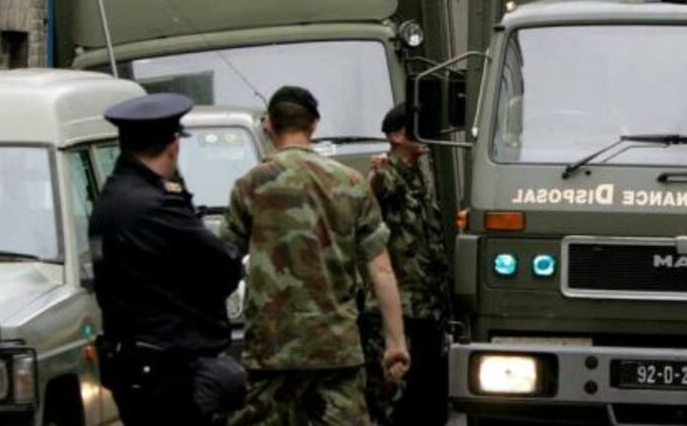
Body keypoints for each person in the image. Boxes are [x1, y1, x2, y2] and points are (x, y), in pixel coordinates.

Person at [222, 86, 410, 426]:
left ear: (269, 125)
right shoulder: (351, 183)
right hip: (335, 348)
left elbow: (222, 263)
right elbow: (381, 270)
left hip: (271, 351)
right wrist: (395, 342)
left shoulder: (250, 185)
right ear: (315, 124)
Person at [90, 93, 246, 426]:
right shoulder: (157, 205)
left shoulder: (113, 197)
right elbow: (224, 266)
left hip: (133, 363)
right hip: (167, 368)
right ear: (173, 145)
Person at [361, 104, 452, 426]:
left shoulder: (421, 176)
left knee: (428, 399)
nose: (428, 135)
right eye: (419, 128)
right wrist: (377, 173)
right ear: (397, 136)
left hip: (428, 309)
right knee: (392, 401)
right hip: (398, 311)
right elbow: (375, 188)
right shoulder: (390, 173)